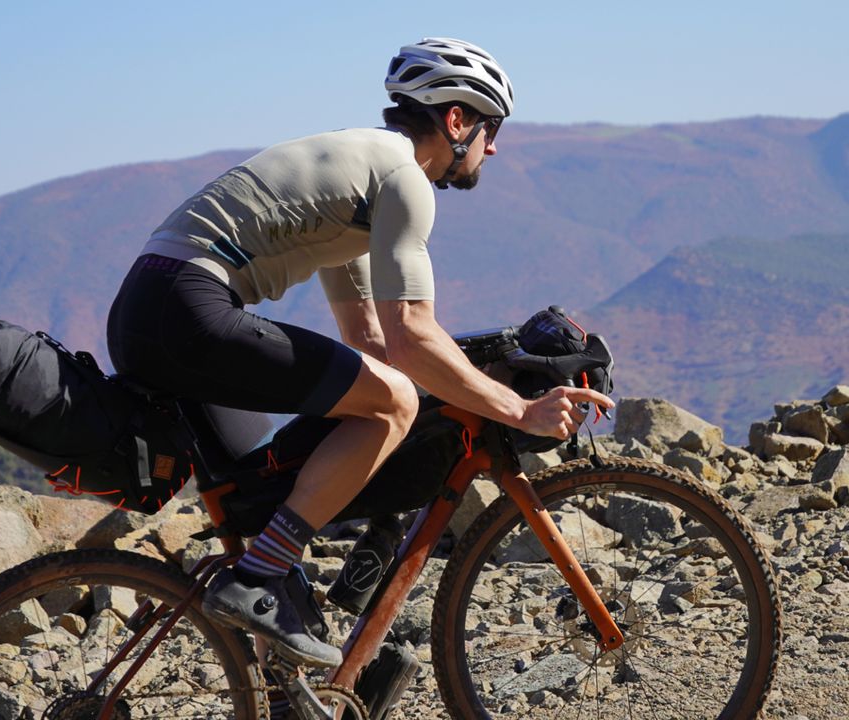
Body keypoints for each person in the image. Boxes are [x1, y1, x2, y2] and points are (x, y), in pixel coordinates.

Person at [105, 37, 613, 671]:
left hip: (151, 309)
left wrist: (448, 394)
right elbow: (410, 336)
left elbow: (372, 344)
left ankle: (283, 681)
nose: (495, 146)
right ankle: (258, 581)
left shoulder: (361, 176)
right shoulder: (403, 178)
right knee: (393, 401)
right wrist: (519, 408)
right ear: (456, 121)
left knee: (262, 495)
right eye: (491, 128)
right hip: (185, 309)